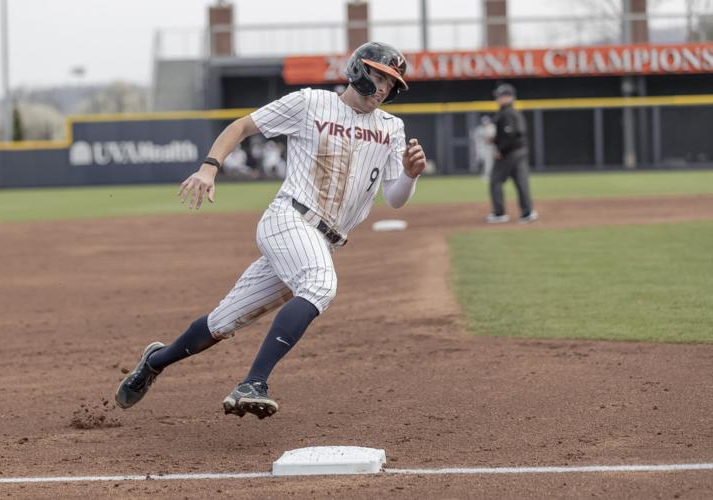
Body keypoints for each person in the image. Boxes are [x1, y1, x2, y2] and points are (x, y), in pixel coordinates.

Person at [115, 41, 427, 419]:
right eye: (379, 76)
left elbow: (395, 199)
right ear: (359, 69)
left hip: (324, 240)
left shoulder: (391, 128)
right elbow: (243, 126)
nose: (383, 88)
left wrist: (409, 176)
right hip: (288, 219)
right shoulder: (311, 103)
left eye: (391, 83)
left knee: (222, 322)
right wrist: (209, 167)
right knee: (320, 284)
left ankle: (154, 362)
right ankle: (254, 382)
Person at [486, 83, 538, 224]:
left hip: (510, 152)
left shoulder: (506, 113)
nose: (497, 98)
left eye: (500, 96)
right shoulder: (513, 112)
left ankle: (499, 213)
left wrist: (500, 150)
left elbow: (510, 135)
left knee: (495, 181)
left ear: (509, 97)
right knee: (521, 182)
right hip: (520, 151)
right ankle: (527, 212)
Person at [473, 115, 496, 181]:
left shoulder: (492, 127)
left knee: (489, 162)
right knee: (481, 159)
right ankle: (484, 173)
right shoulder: (479, 129)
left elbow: (494, 138)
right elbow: (476, 139)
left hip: (490, 147)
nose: (485, 124)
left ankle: (487, 175)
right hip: (482, 147)